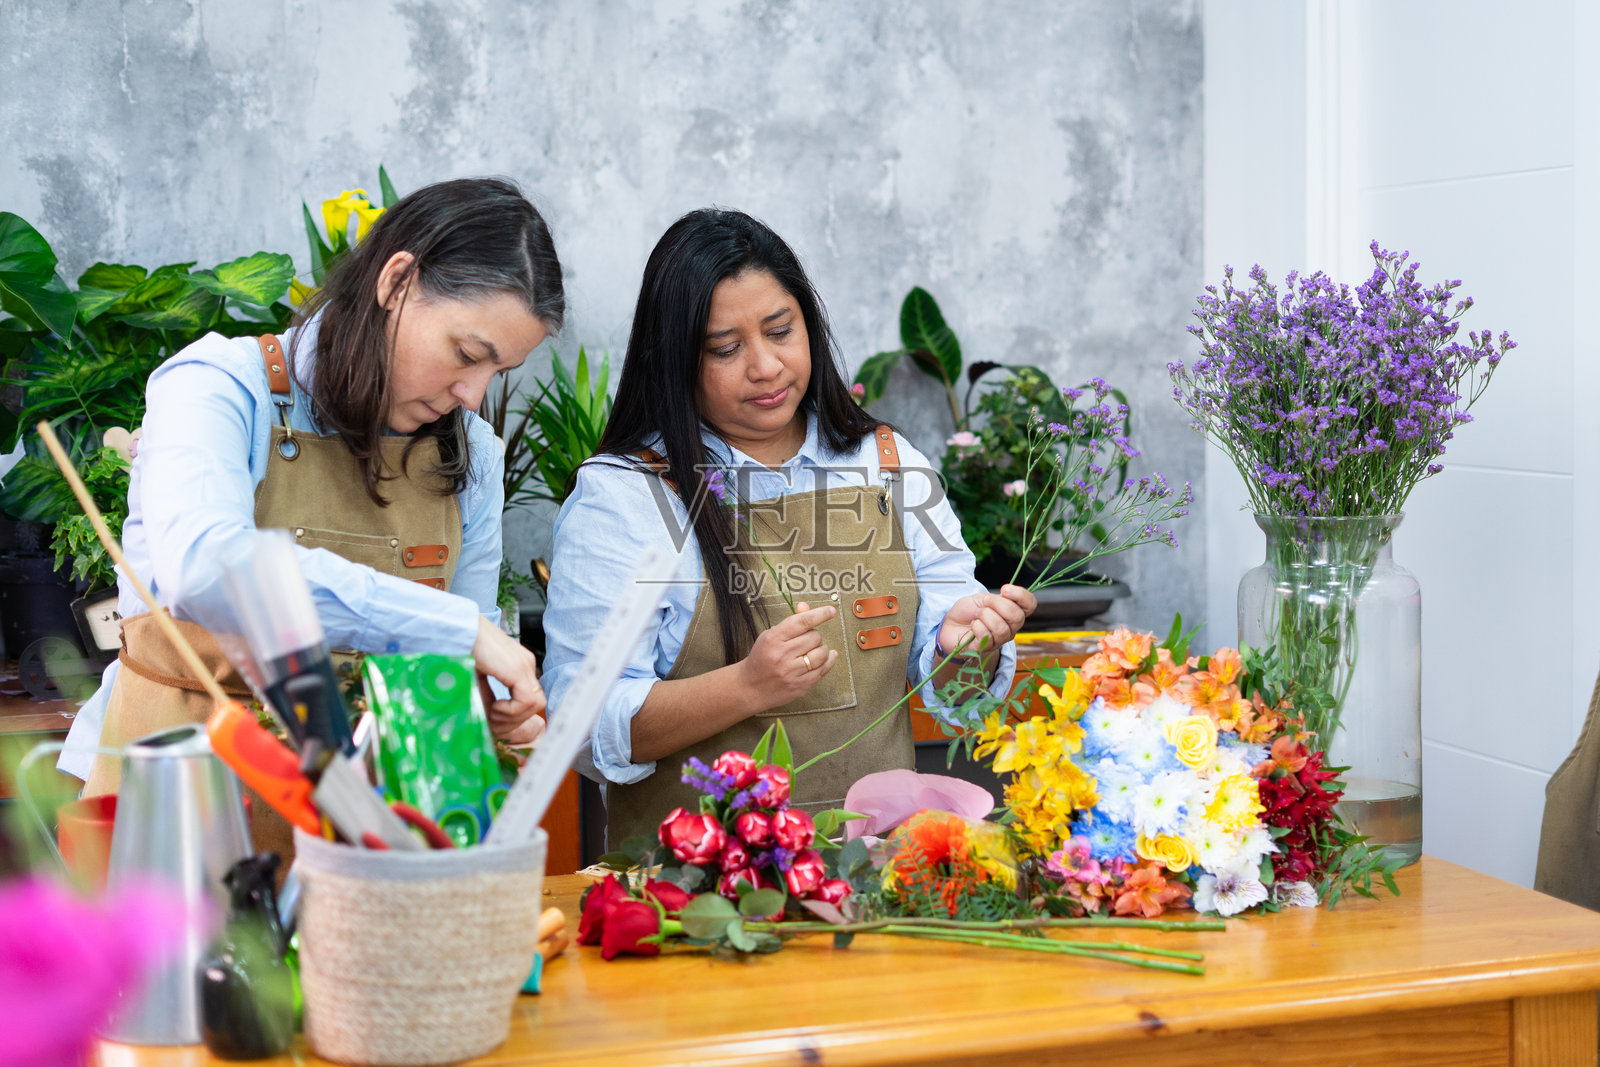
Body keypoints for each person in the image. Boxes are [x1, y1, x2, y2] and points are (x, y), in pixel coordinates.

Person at [541, 208, 1037, 846]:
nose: (766, 366)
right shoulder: (626, 496)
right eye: (726, 349)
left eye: (781, 331)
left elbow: (958, 700)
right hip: (694, 905)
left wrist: (967, 647)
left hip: (878, 887)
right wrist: (746, 687)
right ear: (674, 361)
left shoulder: (890, 467)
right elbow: (581, 726)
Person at [61, 177, 562, 795]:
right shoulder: (219, 386)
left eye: (498, 369)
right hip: (179, 810)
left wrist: (491, 700)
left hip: (367, 830)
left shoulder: (472, 456)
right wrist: (452, 627)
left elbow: (463, 664)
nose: (474, 394)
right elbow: (203, 567)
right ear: (396, 281)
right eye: (465, 353)